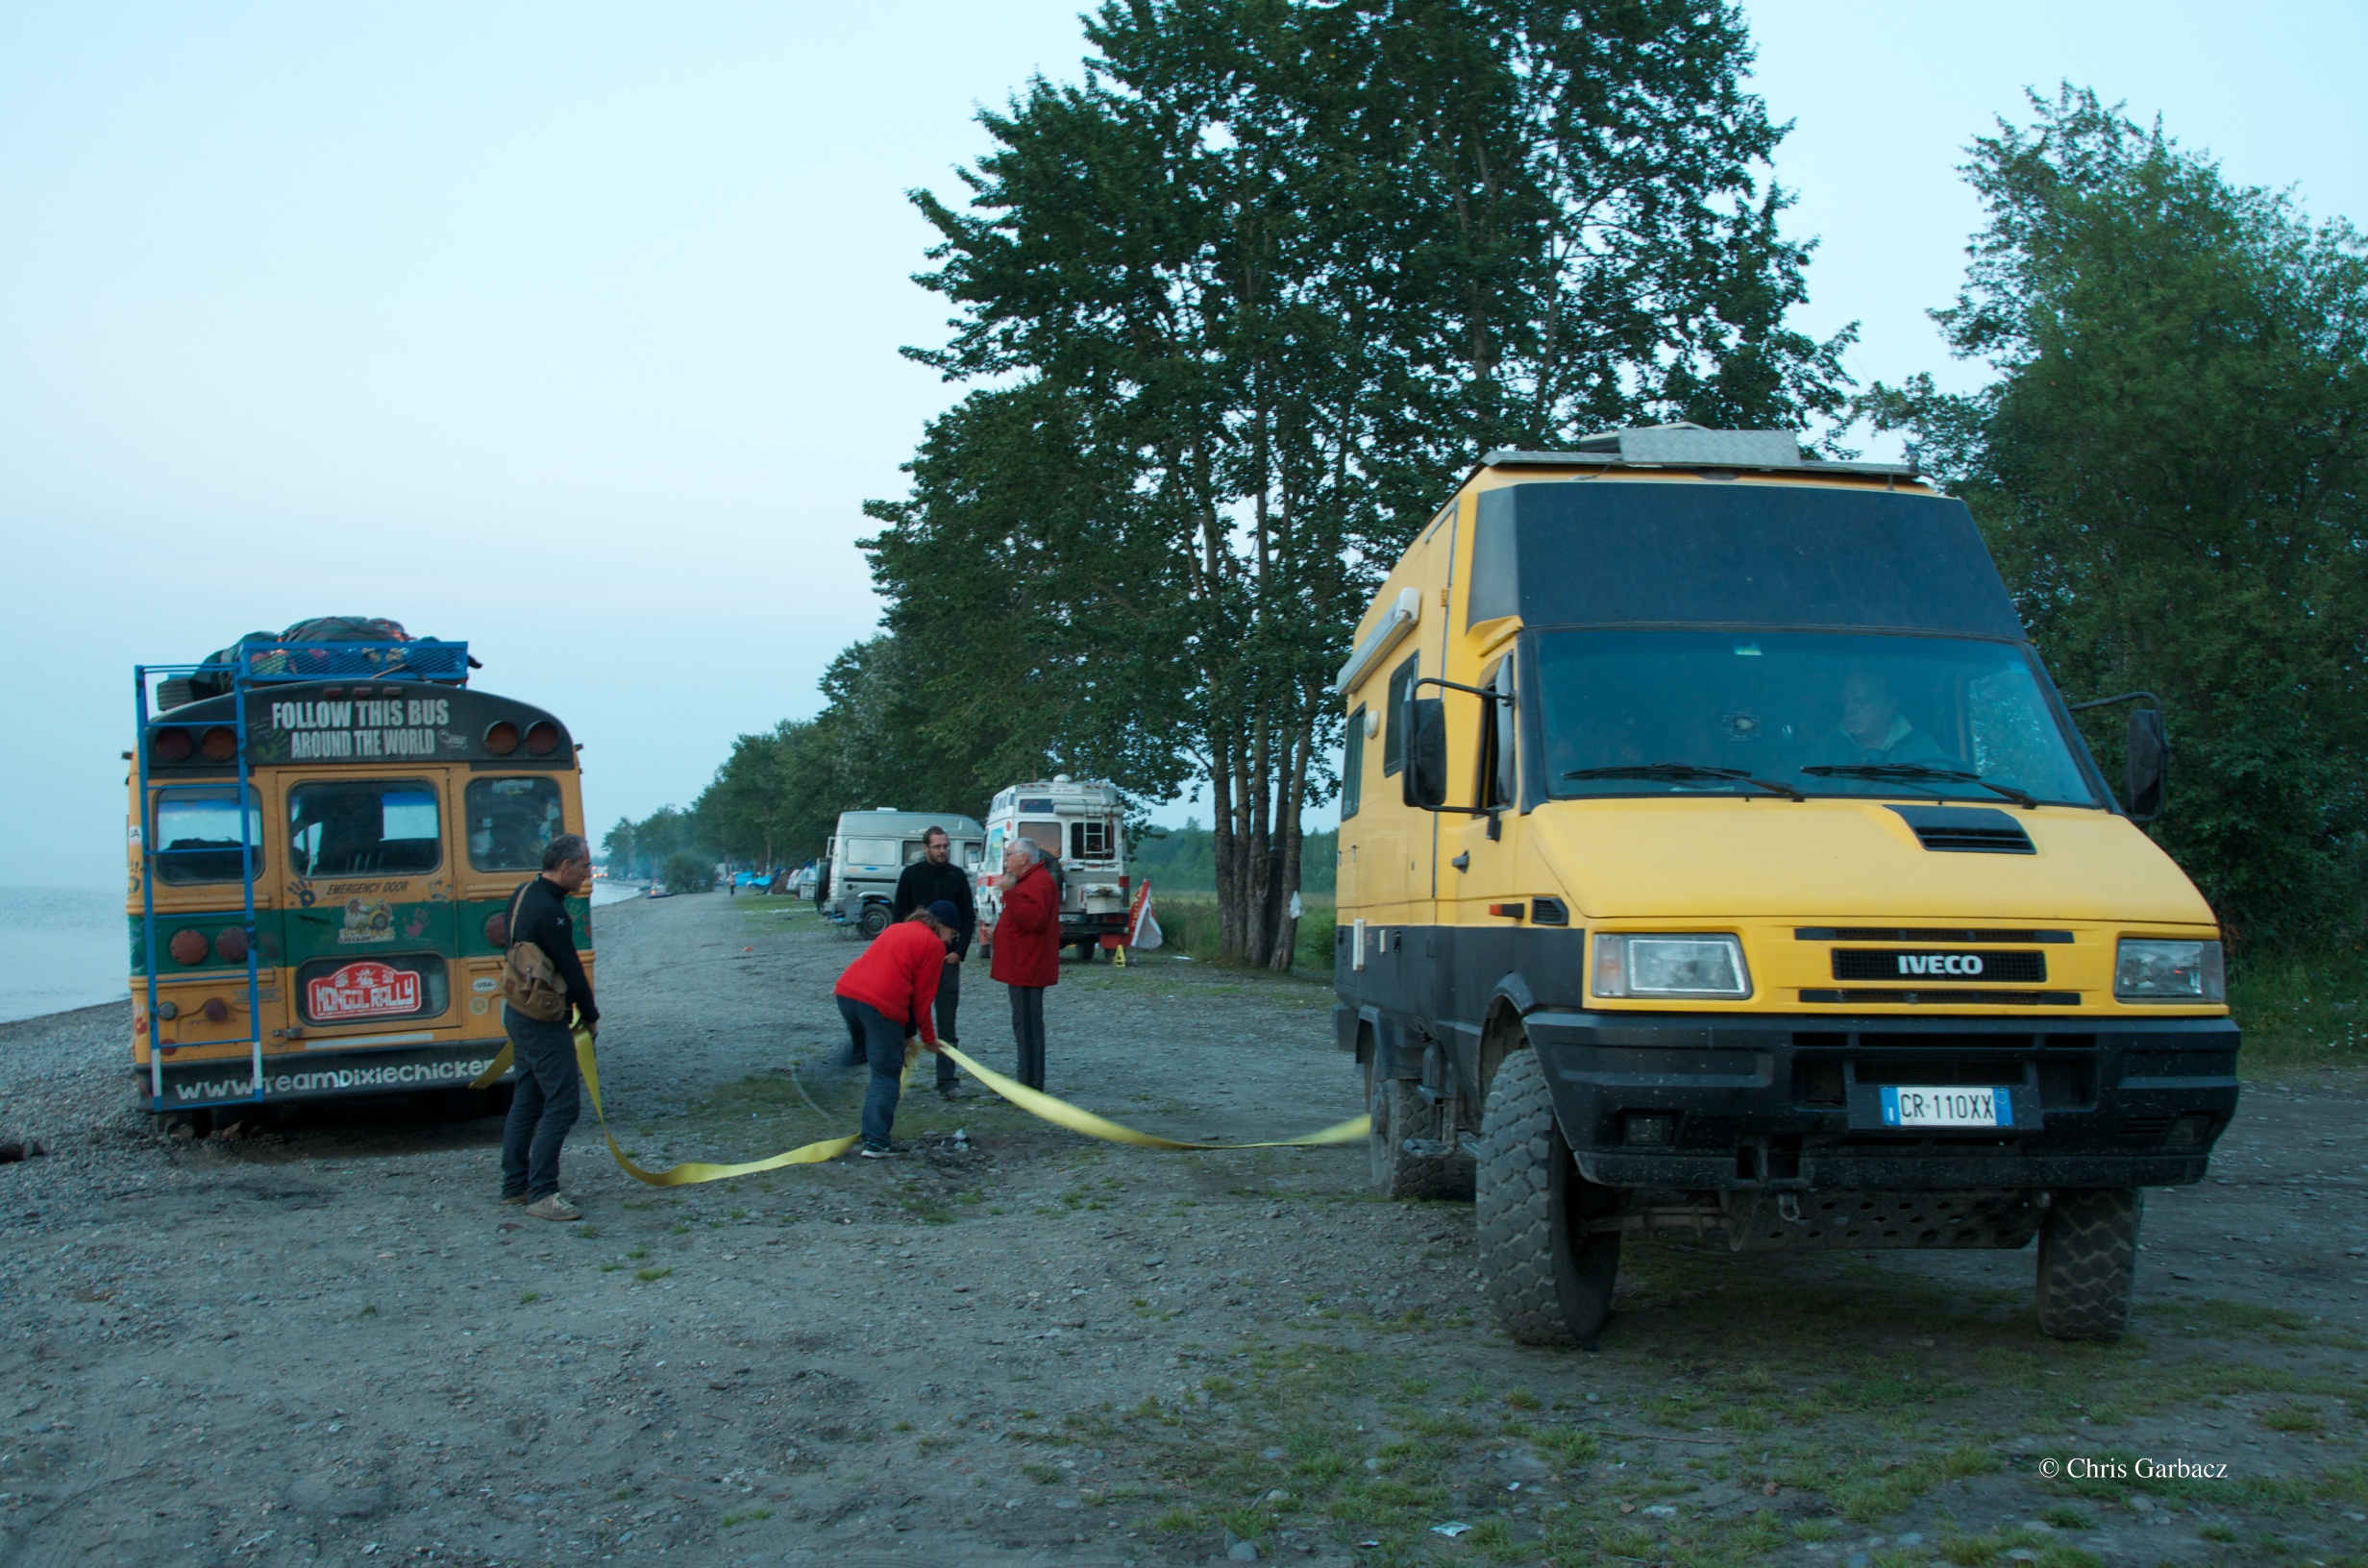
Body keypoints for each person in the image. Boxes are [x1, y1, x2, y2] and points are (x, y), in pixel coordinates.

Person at [500, 832, 599, 1221]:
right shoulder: (551, 912)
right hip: (541, 1021)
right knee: (563, 1103)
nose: (588, 873)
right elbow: (571, 969)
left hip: (518, 1012)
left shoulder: (523, 893)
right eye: (585, 866)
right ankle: (543, 1193)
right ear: (565, 866)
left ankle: (515, 1187)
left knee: (528, 1098)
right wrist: (590, 1015)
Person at [833, 903, 959, 1157]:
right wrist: (929, 1039)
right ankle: (876, 1142)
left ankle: (824, 1073)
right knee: (887, 1072)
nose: (950, 941)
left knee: (864, 1051)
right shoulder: (934, 945)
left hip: (848, 993)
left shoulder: (897, 929)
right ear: (942, 925)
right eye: (952, 934)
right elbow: (922, 1000)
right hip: (881, 1003)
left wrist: (905, 1034)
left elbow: (895, 975)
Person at [892, 826, 976, 1099]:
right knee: (904, 1020)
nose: (942, 851)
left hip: (946, 959)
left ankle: (947, 1081)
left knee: (947, 1024)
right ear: (925, 847)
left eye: (945, 846)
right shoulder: (911, 875)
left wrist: (960, 951)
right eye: (937, 846)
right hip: (914, 961)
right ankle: (894, 1080)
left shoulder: (956, 875)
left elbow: (968, 916)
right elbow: (898, 916)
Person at [989, 838, 1061, 1090]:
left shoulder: (1037, 882)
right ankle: (1027, 1083)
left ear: (1023, 857)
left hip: (1028, 968)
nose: (1005, 861)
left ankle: (1030, 1087)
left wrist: (1009, 893)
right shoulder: (1030, 881)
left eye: (1008, 855)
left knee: (1028, 1028)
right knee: (1024, 1027)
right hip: (1023, 967)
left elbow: (1034, 920)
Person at [1805, 667, 1951, 769]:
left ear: (1891, 705)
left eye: (1861, 702)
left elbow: (1942, 791)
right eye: (1846, 702)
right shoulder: (1828, 748)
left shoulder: (1921, 747)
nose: (1848, 711)